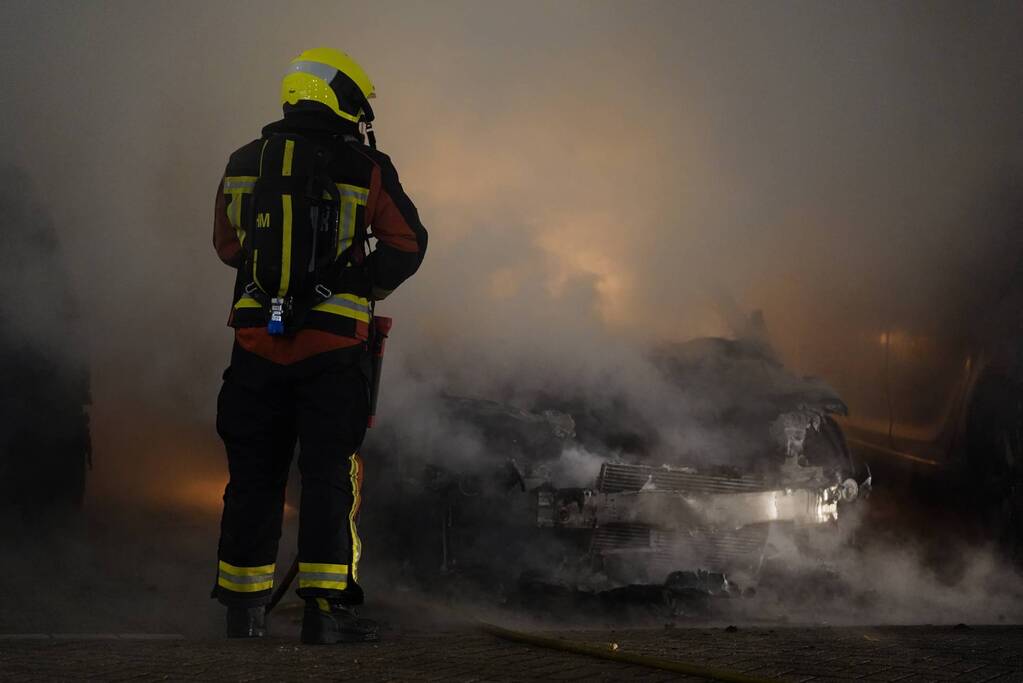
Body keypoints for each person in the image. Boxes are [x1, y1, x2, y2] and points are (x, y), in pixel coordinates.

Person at [210, 48, 427, 643]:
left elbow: (228, 246)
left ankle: (243, 613)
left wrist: (274, 281)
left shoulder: (243, 160)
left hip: (256, 345)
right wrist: (359, 283)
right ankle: (323, 613)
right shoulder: (366, 165)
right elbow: (408, 244)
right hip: (333, 351)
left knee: (253, 476)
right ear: (340, 99)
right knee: (328, 474)